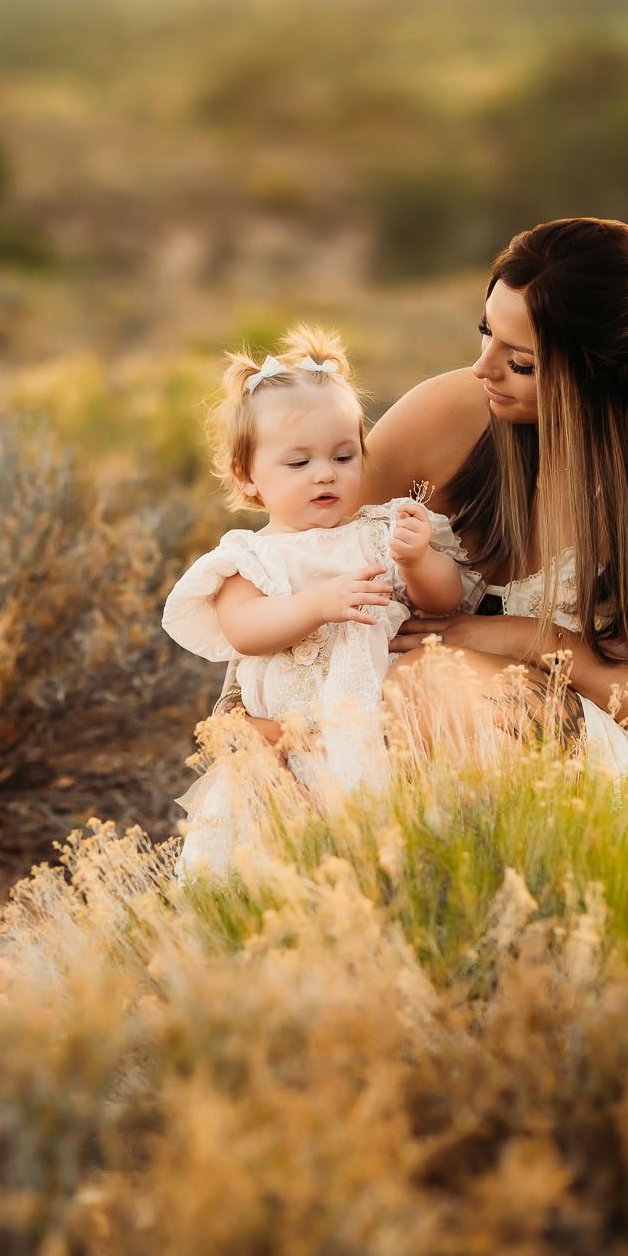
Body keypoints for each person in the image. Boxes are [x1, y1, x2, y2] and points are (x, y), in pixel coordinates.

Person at [360, 217, 628, 790]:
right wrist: (242, 700)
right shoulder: (449, 414)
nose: (483, 368)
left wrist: (542, 641)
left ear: (609, 375)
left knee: (431, 680)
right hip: (423, 719)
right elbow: (299, 543)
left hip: (621, 758)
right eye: (486, 332)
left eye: (521, 362)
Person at [161, 323, 473, 879]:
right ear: (248, 476)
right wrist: (318, 604)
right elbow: (245, 630)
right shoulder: (252, 558)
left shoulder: (379, 531)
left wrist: (420, 560)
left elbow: (447, 602)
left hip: (380, 730)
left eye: (343, 456)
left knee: (384, 845)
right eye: (299, 463)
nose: (325, 473)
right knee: (263, 857)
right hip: (287, 743)